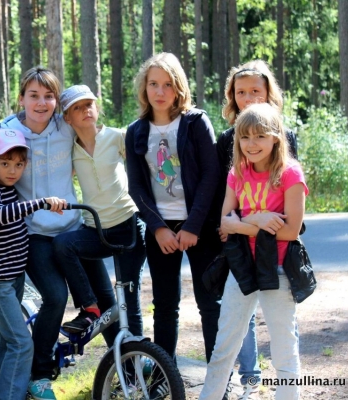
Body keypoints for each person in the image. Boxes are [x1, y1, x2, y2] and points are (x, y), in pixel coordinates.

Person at [0, 66, 104, 400]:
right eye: (33, 96)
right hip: (33, 235)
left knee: (106, 302)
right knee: (56, 296)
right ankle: (39, 374)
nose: (41, 103)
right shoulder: (9, 132)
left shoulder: (65, 126)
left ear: (57, 101)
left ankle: (129, 364)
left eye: (48, 96)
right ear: (21, 99)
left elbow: (94, 130)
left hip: (72, 228)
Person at [199, 102, 308, 400]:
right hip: (242, 269)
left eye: (260, 136)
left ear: (276, 137)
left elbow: (290, 231)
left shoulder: (290, 175)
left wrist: (243, 224)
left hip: (279, 270)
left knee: (284, 350)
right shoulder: (237, 173)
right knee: (224, 347)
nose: (251, 144)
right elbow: (224, 222)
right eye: (244, 137)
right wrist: (259, 220)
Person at [125, 53, 222, 363]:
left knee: (210, 303)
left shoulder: (195, 122)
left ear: (179, 88)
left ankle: (219, 378)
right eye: (153, 84)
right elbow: (137, 186)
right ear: (145, 87)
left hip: (200, 227)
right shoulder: (136, 130)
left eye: (167, 84)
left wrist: (193, 226)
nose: (160, 91)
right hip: (161, 230)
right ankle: (164, 374)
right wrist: (159, 228)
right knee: (165, 305)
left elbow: (211, 175)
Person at [216, 60, 300, 400]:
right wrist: (236, 224)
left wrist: (251, 222)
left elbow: (286, 202)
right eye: (241, 93)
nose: (249, 98)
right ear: (232, 98)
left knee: (282, 333)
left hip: (276, 249)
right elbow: (227, 197)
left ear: (269, 94)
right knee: (235, 327)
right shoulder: (227, 139)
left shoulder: (284, 140)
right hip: (241, 245)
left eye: (256, 91)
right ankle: (248, 382)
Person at [0, 128, 66, 400]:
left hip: (14, 279)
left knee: (5, 343)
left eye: (18, 164)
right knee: (22, 343)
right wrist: (39, 203)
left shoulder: (11, 190)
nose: (12, 170)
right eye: (5, 163)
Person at [52, 85, 146, 339]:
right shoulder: (70, 151)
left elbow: (143, 170)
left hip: (129, 227)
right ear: (67, 118)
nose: (85, 111)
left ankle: (136, 364)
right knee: (63, 245)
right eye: (77, 108)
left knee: (128, 299)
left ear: (97, 107)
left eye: (88, 105)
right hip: (96, 230)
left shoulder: (117, 137)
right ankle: (89, 307)